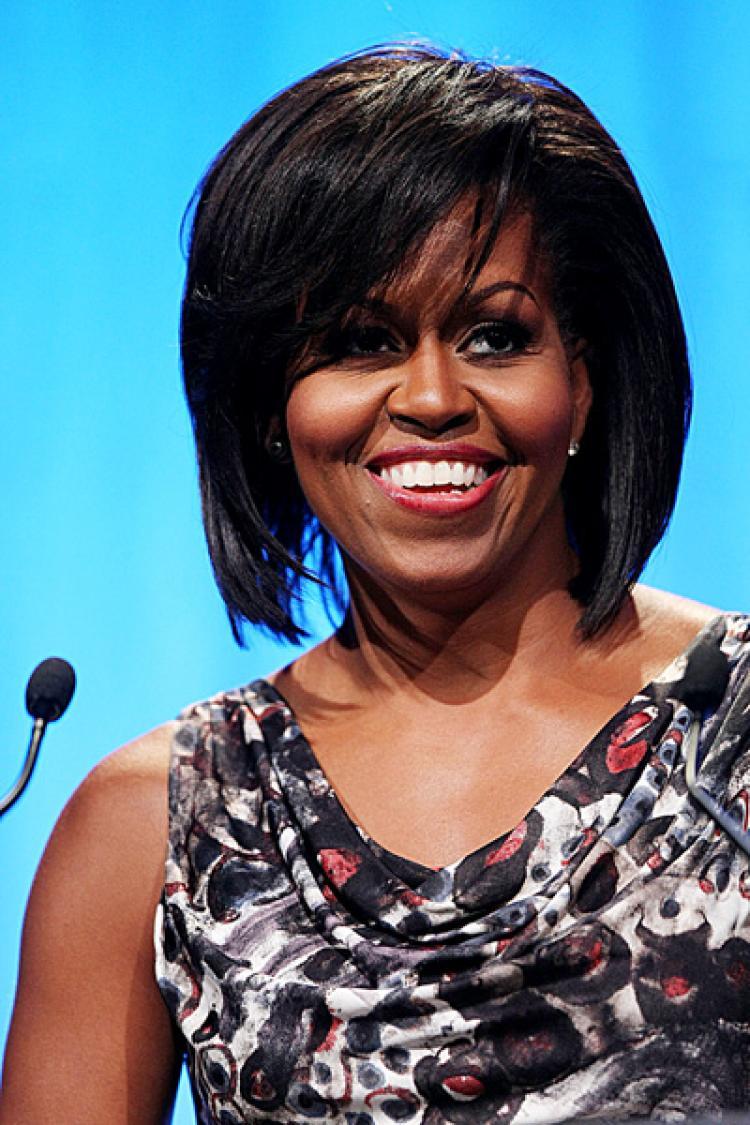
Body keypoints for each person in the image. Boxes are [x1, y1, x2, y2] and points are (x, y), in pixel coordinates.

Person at [2, 44, 750, 1125]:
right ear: (270, 401)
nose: (434, 396)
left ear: (582, 383)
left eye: (495, 335)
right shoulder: (157, 828)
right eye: (360, 341)